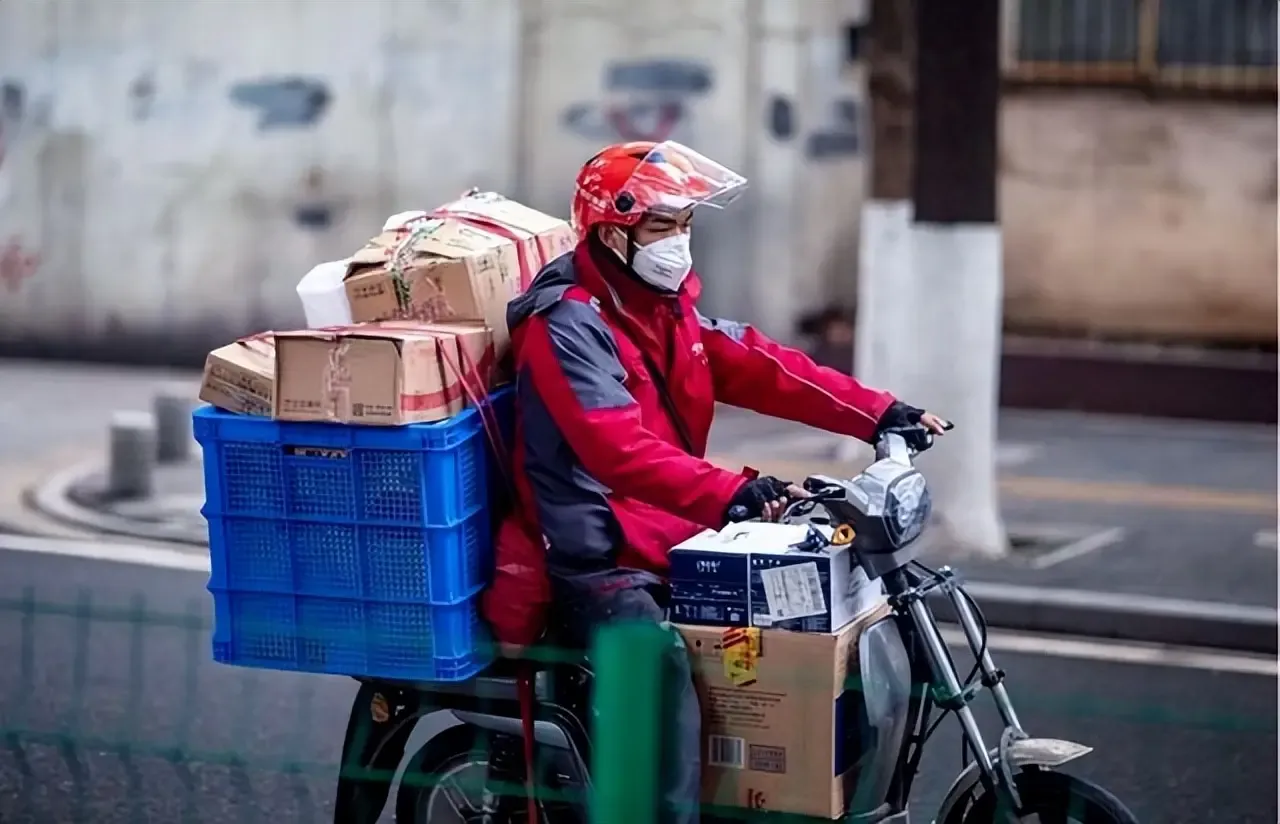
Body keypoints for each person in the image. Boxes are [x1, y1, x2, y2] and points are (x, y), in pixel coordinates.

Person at [482, 140, 946, 823]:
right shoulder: (566, 325)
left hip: (668, 527)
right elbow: (618, 452)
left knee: (799, 614)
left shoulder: (663, 310)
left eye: (686, 226)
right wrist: (730, 492)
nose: (679, 243)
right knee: (665, 671)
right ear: (614, 232)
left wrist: (879, 413)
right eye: (662, 227)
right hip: (598, 552)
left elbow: (763, 365)